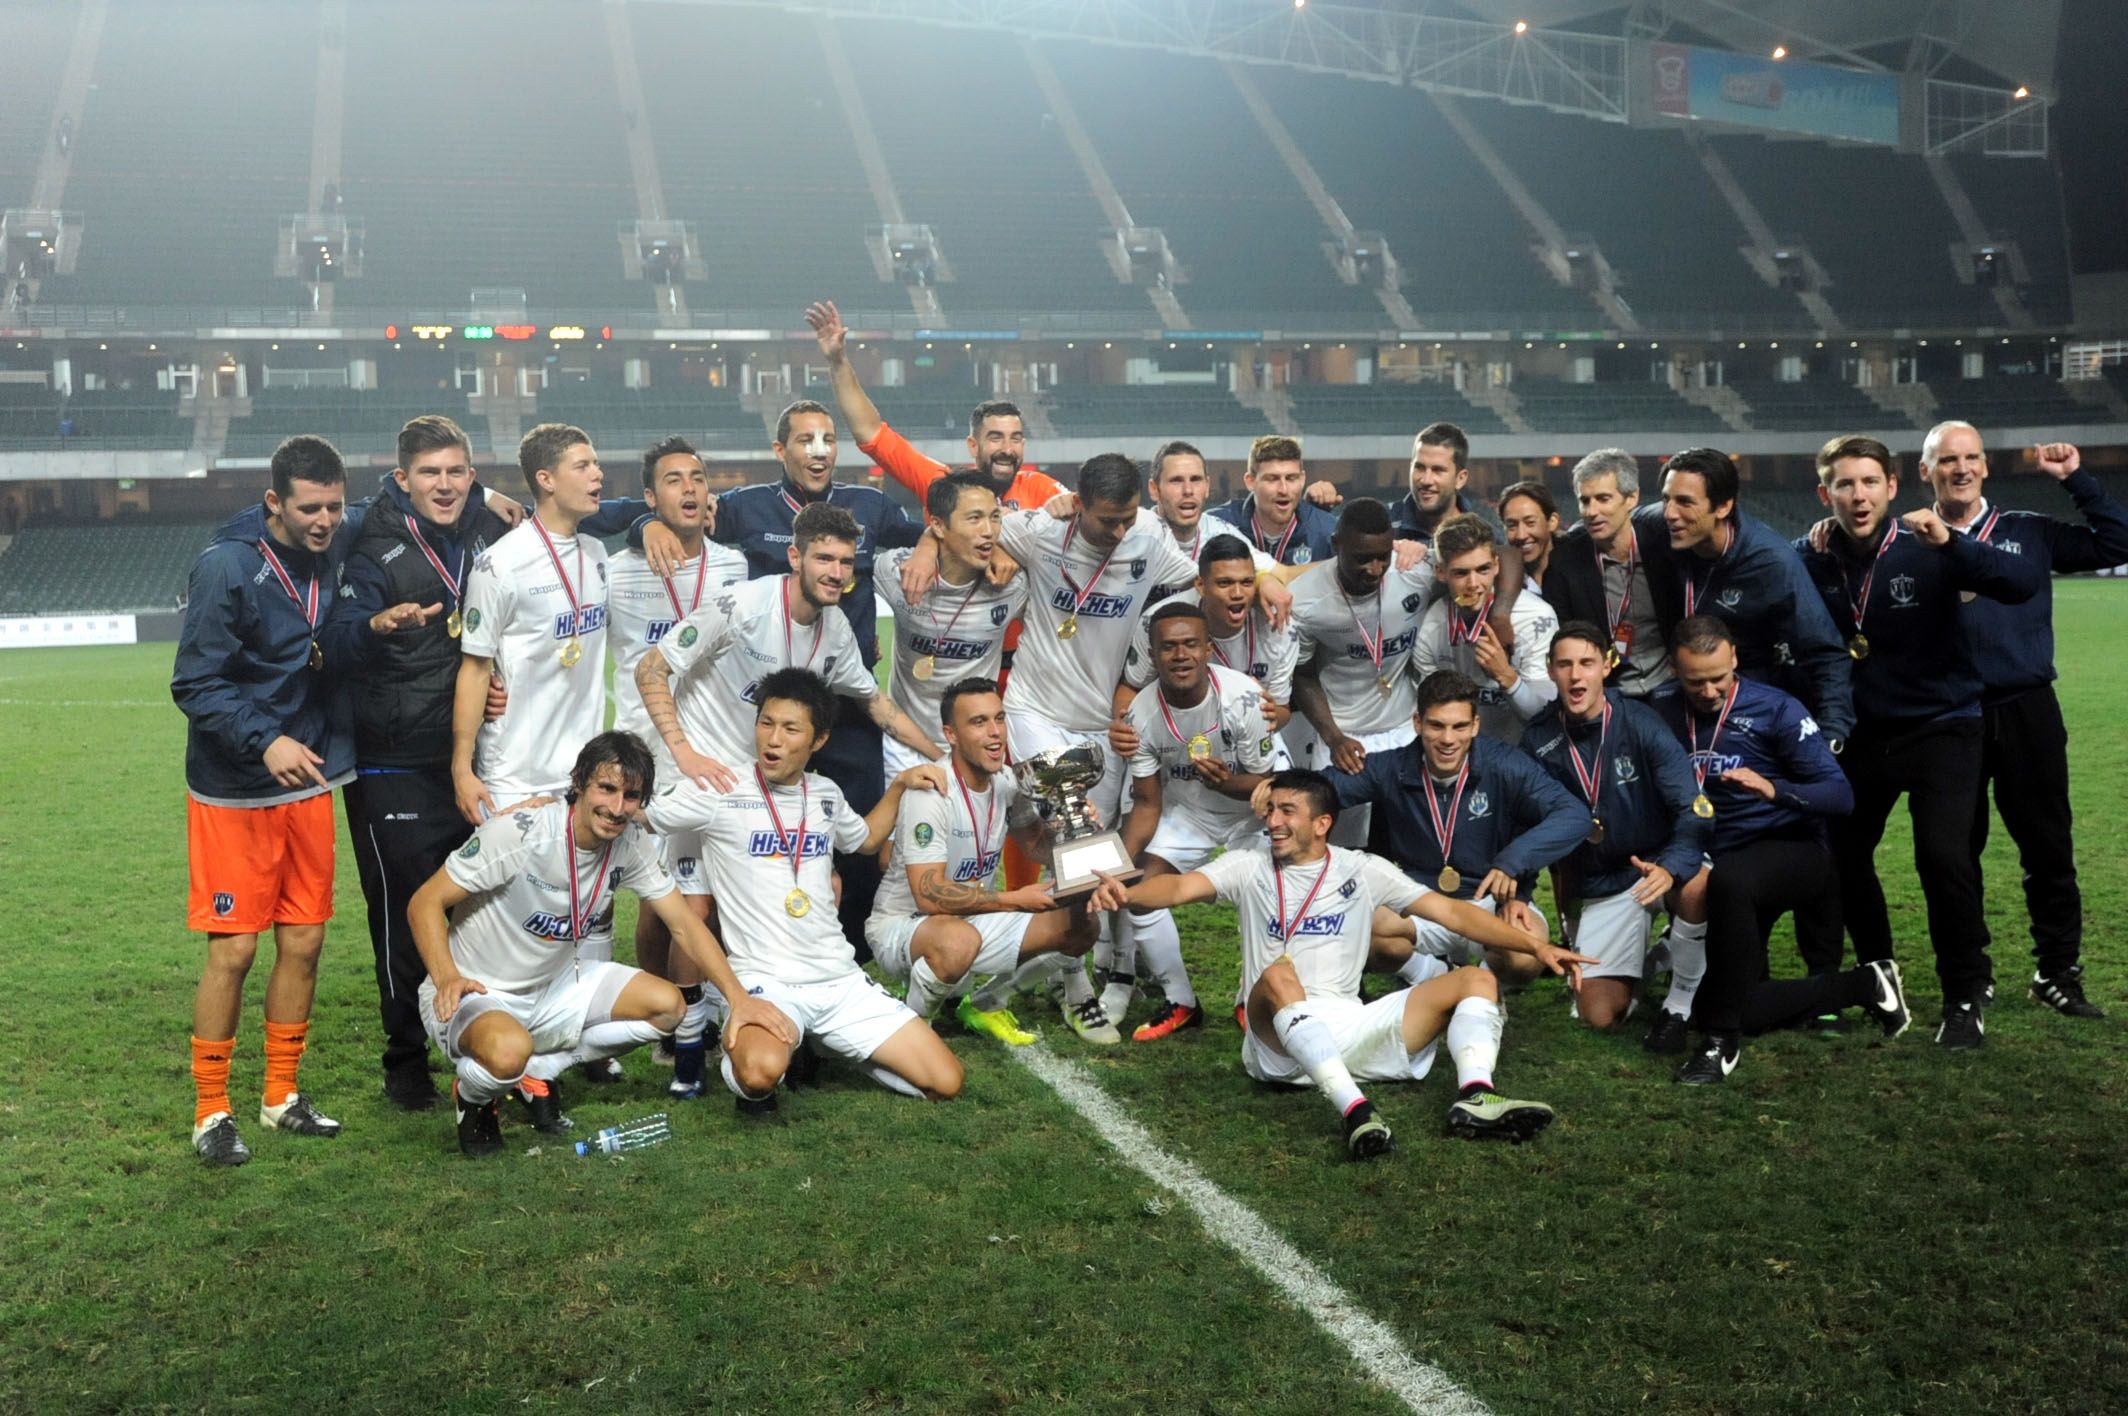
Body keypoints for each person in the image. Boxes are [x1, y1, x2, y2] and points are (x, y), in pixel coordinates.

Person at [1096, 771, 1594, 1158]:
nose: (1272, 821)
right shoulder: (1248, 865)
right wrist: (1130, 892)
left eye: (1287, 811)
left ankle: (1476, 1096)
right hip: (1275, 1045)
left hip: (1348, 1026)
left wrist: (1537, 949)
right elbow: (1179, 888)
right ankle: (1357, 1113)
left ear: (1322, 823)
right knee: (1278, 972)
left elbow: (1453, 913)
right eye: (1270, 811)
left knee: (1476, 979)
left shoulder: (1362, 870)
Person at [173, 436, 418, 1164]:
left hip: (312, 773)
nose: (325, 521)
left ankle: (280, 1096)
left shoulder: (341, 536)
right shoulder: (227, 567)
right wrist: (263, 740)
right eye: (309, 507)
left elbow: (396, 498)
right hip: (236, 787)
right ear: (273, 501)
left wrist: (500, 498)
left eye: (334, 506)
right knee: (236, 950)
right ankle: (211, 1110)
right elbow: (194, 683)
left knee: (305, 941)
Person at [406, 733, 774, 1155]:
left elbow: (685, 926)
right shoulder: (521, 832)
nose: (617, 808)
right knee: (506, 1053)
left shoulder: (630, 843)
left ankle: (541, 1069)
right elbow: (424, 903)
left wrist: (738, 998)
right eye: (607, 788)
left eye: (632, 796)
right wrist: (447, 977)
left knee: (668, 1006)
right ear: (578, 781)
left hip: (554, 984)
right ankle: (473, 1100)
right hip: (478, 990)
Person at [1792, 435, 2042, 1049]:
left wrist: (1953, 541)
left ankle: (1964, 994)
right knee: (1841, 858)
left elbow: (2022, 583)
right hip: (1862, 736)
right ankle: (1880, 972)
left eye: (1869, 482)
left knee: (1943, 859)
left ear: (1892, 487)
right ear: (1826, 494)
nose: (1858, 496)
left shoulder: (1929, 543)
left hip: (1942, 729)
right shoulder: (1813, 555)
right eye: (1845, 485)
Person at [647, 669, 965, 1113]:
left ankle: (833, 1045)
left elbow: (865, 840)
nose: (773, 740)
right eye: (766, 723)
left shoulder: (826, 794)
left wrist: (897, 786)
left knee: (947, 1082)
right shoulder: (720, 789)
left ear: (818, 740)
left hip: (839, 978)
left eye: (790, 728)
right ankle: (748, 1033)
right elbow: (639, 815)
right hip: (765, 980)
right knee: (759, 1076)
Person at [325, 415, 512, 1110]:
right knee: (402, 914)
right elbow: (335, 644)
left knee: (481, 908)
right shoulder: (370, 544)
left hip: (473, 758)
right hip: (391, 763)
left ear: (472, 474)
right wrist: (375, 626)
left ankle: (486, 1035)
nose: (444, 484)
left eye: (456, 472)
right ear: (401, 479)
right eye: (428, 473)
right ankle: (405, 1058)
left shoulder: (486, 531)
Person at [703, 392, 929, 955]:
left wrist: (926, 545)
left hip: (847, 700)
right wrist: (647, 530)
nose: (820, 449)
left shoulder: (868, 505)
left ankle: (851, 946)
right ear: (780, 449)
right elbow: (680, 513)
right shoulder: (748, 505)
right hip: (773, 711)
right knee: (767, 834)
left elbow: (934, 524)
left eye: (828, 438)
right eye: (805, 439)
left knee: (855, 832)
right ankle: (757, 943)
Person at [990, 452, 1206, 1041]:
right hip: (1035, 711)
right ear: (1079, 503)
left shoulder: (1148, 538)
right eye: (1107, 519)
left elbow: (1194, 580)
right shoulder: (1040, 529)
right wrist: (934, 548)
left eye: (1127, 518)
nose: (1118, 531)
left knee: (1096, 852)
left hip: (1106, 724)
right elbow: (970, 525)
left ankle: (1092, 967)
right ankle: (1078, 981)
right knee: (1076, 837)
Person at [1649, 617, 1910, 1083]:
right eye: (1695, 682)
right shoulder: (1662, 710)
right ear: (1674, 670)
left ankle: (1718, 1046)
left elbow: (1840, 795)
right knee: (1734, 1001)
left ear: (1735, 662)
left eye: (1718, 679)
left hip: (1791, 850)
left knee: (1729, 884)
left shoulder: (1776, 709)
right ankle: (1866, 983)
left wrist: (1773, 788)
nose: (1708, 692)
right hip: (1720, 860)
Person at [1928, 429, 2125, 1018]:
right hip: (1947, 716)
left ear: (1985, 468)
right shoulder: (1910, 538)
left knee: (2048, 848)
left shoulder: (2028, 531)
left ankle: (2056, 971)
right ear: (1926, 471)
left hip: (2026, 710)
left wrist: (2075, 480)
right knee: (1956, 857)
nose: (1960, 469)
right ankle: (1971, 975)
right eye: (1947, 461)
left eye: (1969, 459)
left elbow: (2119, 540)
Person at [605, 435, 749, 1063]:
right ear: (649, 496)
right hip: (648, 753)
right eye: (673, 480)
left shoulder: (734, 566)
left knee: (706, 889)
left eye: (697, 478)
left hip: (715, 750)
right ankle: (663, 1011)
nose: (689, 489)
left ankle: (687, 1012)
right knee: (658, 892)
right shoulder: (618, 570)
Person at [865, 678, 1101, 1043]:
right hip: (905, 927)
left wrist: (1072, 827)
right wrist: (1012, 900)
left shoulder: (1007, 782)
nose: (995, 734)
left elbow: (1036, 845)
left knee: (1082, 928)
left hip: (973, 919)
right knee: (956, 942)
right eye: (978, 722)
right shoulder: (932, 792)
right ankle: (911, 1030)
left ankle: (987, 999)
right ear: (951, 734)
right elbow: (928, 895)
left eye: (999, 719)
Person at [1329, 669, 1587, 982]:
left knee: (1524, 958)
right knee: (1355, 926)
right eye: (1437, 725)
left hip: (1491, 903)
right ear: (1418, 723)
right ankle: (1431, 974)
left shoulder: (1505, 764)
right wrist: (1273, 788)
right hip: (1421, 904)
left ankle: (1481, 985)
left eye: (1460, 726)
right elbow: (1319, 790)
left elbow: (1574, 815)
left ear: (1476, 725)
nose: (1448, 739)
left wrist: (1513, 862)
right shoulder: (1391, 767)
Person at [1522, 623, 1709, 1048]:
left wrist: (1673, 865)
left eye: (1587, 663)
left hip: (1659, 862)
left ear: (1607, 665)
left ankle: (1678, 1007)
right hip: (1606, 880)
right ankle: (1660, 955)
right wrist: (1524, 891)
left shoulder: (1642, 722)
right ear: (1550, 670)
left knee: (1695, 883)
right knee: (1600, 1016)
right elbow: (1527, 828)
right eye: (1565, 664)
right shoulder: (1537, 740)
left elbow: (1693, 809)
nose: (1576, 676)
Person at [1112, 604, 1282, 1039]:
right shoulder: (1141, 716)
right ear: (1152, 655)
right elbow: (1147, 804)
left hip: (1253, 810)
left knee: (1270, 893)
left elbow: (1269, 783)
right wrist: (1117, 866)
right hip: (1189, 812)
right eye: (1168, 647)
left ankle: (1252, 999)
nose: (1181, 655)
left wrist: (1228, 784)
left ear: (1209, 648)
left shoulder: (1244, 698)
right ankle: (1181, 1002)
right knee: (1141, 894)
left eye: (1191, 644)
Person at [451, 423, 613, 824]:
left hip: (583, 773)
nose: (598, 474)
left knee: (581, 888)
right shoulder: (500, 565)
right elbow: (475, 669)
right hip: (515, 775)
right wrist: (462, 768)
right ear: (546, 479)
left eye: (596, 464)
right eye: (582, 466)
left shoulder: (596, 554)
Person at [1286, 497, 1437, 844]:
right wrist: (1333, 736)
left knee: (1412, 842)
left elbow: (1496, 555)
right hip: (1344, 735)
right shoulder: (1307, 600)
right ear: (1337, 545)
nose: (1374, 568)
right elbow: (1303, 674)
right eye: (1361, 558)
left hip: (1404, 729)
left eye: (1382, 556)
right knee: (1338, 848)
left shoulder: (1415, 571)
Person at [873, 471, 1028, 774]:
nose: (989, 531)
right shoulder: (898, 572)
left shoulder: (1013, 584)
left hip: (974, 747)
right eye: (974, 519)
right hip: (905, 746)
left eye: (995, 518)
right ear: (939, 526)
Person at [1122, 532, 1297, 733]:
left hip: (1250, 735)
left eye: (1247, 582)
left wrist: (1270, 715)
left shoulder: (1281, 626)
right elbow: (1131, 687)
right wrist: (1125, 728)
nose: (1238, 594)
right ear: (1200, 585)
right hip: (1175, 734)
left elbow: (1283, 710)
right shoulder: (1159, 621)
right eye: (1225, 583)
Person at [1413, 513, 1557, 746]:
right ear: (1441, 572)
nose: (1473, 584)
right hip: (1463, 754)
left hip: (1526, 753)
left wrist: (1507, 677)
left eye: (1483, 569)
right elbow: (1435, 719)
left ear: (1497, 565)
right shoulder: (1431, 626)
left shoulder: (1535, 618)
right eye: (1461, 573)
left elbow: (1546, 719)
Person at [1543, 449, 1671, 699]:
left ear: (1631, 498)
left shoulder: (1664, 549)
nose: (1591, 511)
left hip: (1670, 686)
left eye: (1603, 499)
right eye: (1585, 500)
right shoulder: (1564, 563)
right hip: (1608, 695)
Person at [1205, 435, 1336, 566]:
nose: (1283, 490)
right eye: (1272, 479)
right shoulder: (1216, 526)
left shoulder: (1327, 531)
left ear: (1302, 479)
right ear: (1250, 481)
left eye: (1291, 478)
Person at [1498, 480, 1561, 592]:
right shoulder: (1499, 582)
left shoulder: (1578, 573)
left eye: (1530, 522)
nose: (1521, 535)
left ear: (1552, 522)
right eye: (1511, 525)